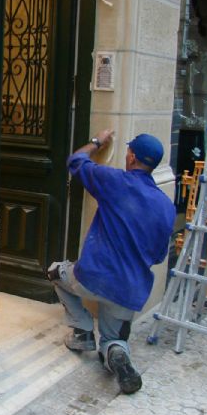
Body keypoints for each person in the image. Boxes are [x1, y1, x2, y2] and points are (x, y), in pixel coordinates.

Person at [47, 129, 175, 394]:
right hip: (128, 292)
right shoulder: (166, 206)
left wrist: (97, 141)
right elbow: (160, 255)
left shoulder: (114, 181)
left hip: (92, 278)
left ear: (130, 156)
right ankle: (116, 354)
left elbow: (76, 161)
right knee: (114, 337)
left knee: (56, 272)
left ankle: (82, 333)